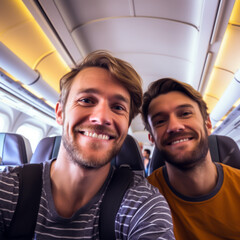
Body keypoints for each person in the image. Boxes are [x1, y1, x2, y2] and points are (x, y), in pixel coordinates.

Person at [0, 51, 175, 239]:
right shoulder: (7, 189)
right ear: (60, 113)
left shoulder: (143, 204)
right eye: (86, 100)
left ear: (126, 126)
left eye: (117, 107)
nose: (101, 118)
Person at [141, 77, 240, 239]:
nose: (174, 126)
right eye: (160, 121)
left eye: (185, 113)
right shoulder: (141, 201)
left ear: (208, 124)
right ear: (152, 139)